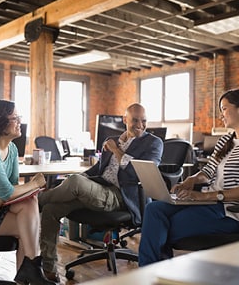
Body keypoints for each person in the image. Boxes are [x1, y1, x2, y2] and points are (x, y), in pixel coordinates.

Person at [38, 103, 163, 282]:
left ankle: (36, 200)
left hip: (122, 197)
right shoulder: (114, 139)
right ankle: (49, 268)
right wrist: (76, 181)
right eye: (135, 120)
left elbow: (137, 173)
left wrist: (115, 150)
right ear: (124, 120)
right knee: (51, 209)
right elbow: (98, 169)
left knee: (71, 183)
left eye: (143, 121)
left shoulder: (153, 143)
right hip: (99, 188)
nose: (140, 125)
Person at [138, 88, 239, 266]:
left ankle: (150, 274)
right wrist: (192, 180)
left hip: (231, 213)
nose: (221, 115)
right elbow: (208, 171)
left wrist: (205, 196)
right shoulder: (225, 141)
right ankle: (151, 275)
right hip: (209, 204)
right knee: (154, 209)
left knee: (161, 228)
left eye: (225, 109)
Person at [0, 100, 55, 285]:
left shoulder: (11, 149)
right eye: (15, 118)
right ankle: (31, 272)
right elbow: (8, 191)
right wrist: (35, 183)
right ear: (0, 123)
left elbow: (11, 189)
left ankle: (30, 273)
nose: (20, 121)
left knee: (28, 205)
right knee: (27, 228)